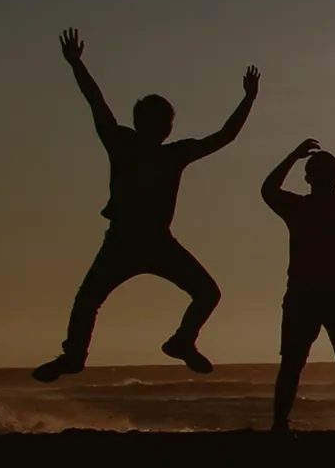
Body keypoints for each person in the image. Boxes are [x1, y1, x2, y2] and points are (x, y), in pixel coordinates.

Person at [35, 29, 259, 381]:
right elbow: (97, 103)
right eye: (155, 123)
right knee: (88, 300)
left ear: (168, 128)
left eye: (164, 124)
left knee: (206, 292)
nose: (160, 129)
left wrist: (248, 99)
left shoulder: (172, 153)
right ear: (142, 123)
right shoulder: (123, 143)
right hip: (124, 241)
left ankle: (181, 342)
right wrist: (77, 65)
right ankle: (75, 355)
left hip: (156, 242)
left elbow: (225, 136)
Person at [259, 139, 335, 430]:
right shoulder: (298, 207)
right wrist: (293, 155)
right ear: (309, 178)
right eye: (319, 172)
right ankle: (280, 424)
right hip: (304, 294)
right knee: (293, 363)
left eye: (329, 172)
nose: (324, 178)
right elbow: (268, 191)